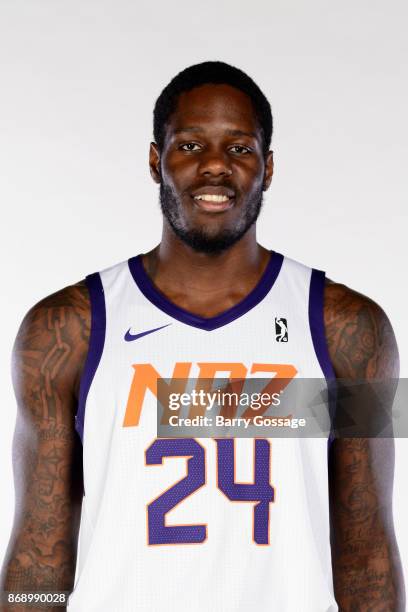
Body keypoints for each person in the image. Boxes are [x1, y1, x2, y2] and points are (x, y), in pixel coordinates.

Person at [0, 61, 405, 612]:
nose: (215, 166)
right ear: (155, 160)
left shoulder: (353, 329)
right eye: (190, 146)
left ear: (268, 167)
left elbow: (367, 557)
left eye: (239, 148)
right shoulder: (64, 328)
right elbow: (39, 560)